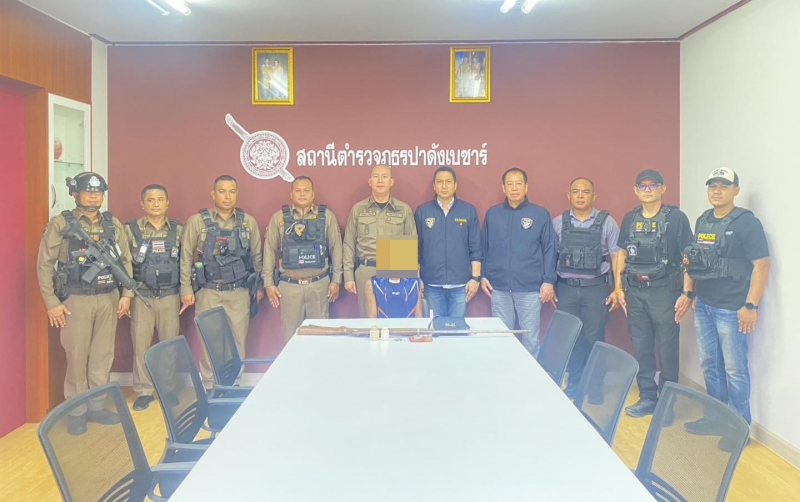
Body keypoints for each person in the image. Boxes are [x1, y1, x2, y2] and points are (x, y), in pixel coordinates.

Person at [36, 172, 133, 435]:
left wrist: (127, 294)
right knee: (76, 356)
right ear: (75, 194)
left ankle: (97, 406)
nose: (93, 196)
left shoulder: (112, 224)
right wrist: (51, 302)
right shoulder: (61, 224)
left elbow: (125, 261)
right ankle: (76, 411)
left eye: (98, 192)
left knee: (103, 355)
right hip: (75, 299)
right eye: (88, 192)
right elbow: (44, 264)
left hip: (108, 297)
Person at [678, 168, 770, 447]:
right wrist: (689, 293)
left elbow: (761, 265)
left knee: (734, 370)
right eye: (713, 186)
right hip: (704, 305)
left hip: (732, 308)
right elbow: (691, 260)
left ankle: (739, 429)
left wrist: (751, 305)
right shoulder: (703, 220)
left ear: (736, 191)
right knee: (710, 365)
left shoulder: (747, 223)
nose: (717, 191)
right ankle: (714, 417)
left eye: (724, 186)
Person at [615, 169, 693, 418]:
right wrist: (618, 288)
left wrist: (687, 293)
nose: (647, 190)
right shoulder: (630, 218)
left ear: (663, 188)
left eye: (652, 185)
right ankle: (647, 397)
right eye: (643, 186)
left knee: (668, 349)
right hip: (635, 292)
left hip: (665, 292)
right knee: (641, 346)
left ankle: (668, 404)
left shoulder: (677, 218)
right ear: (636, 190)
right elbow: (622, 254)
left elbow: (688, 256)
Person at [180, 175, 263, 389]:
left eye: (232, 191)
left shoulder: (248, 222)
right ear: (213, 194)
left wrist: (258, 287)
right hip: (209, 291)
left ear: (237, 194)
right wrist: (186, 288)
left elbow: (257, 257)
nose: (227, 196)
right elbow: (186, 257)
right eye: (222, 191)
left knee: (238, 341)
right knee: (210, 341)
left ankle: (234, 385)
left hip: (239, 291)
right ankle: (210, 386)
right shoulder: (198, 222)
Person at [552, 177, 621, 398]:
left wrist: (618, 289)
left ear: (594, 196)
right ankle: (574, 384)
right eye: (576, 191)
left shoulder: (608, 222)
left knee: (595, 338)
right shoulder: (558, 223)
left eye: (585, 191)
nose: (580, 195)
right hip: (566, 289)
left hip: (596, 289)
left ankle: (595, 387)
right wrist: (550, 284)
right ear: (569, 196)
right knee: (571, 337)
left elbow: (617, 257)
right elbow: (550, 256)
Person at [481, 168, 557, 358]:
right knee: (501, 338)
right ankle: (503, 373)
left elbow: (550, 249)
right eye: (510, 184)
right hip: (499, 287)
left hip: (530, 288)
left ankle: (530, 377)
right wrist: (482, 275)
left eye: (518, 184)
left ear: (526, 187)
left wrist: (548, 281)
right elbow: (484, 247)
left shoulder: (540, 214)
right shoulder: (493, 214)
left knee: (530, 339)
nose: (514, 188)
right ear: (503, 188)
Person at [263, 176, 343, 342]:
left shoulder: (327, 217)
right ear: (291, 194)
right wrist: (268, 283)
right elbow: (269, 250)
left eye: (306, 191)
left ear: (313, 194)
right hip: (289, 287)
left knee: (320, 338)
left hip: (319, 285)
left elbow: (336, 249)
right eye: (298, 191)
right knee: (291, 338)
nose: (302, 194)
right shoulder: (279, 218)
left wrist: (336, 280)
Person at [124, 184, 182, 411]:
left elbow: (185, 261)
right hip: (142, 296)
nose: (155, 204)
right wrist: (127, 296)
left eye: (160, 199)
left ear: (167, 203)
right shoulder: (129, 230)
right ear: (142, 204)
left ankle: (166, 389)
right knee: (141, 345)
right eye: (150, 200)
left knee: (169, 345)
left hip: (170, 296)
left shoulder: (179, 230)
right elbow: (124, 264)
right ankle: (144, 390)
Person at [343, 165, 416, 317]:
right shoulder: (358, 209)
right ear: (370, 181)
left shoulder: (404, 209)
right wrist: (348, 276)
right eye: (376, 177)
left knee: (396, 317)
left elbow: (412, 244)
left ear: (392, 181)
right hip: (366, 269)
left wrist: (414, 279)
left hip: (396, 271)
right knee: (368, 319)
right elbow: (349, 244)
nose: (380, 180)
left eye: (385, 177)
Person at [415, 166, 482, 318]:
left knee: (456, 330)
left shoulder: (468, 210)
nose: (444, 186)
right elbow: (415, 248)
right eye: (440, 182)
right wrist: (417, 278)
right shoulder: (423, 211)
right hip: (431, 284)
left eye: (448, 182)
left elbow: (476, 248)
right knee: (435, 329)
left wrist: (475, 279)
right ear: (434, 186)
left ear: (455, 185)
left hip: (460, 285)